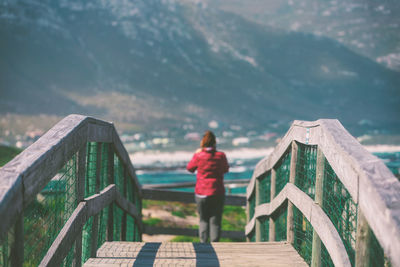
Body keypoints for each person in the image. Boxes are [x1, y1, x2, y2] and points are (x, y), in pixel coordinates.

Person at [186, 130, 229, 243]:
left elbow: (190, 168)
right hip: (217, 191)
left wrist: (196, 153)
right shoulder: (221, 156)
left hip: (201, 192)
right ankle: (215, 244)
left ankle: (203, 245)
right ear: (215, 142)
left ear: (202, 143)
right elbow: (226, 169)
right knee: (215, 220)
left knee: (203, 219)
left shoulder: (199, 155)